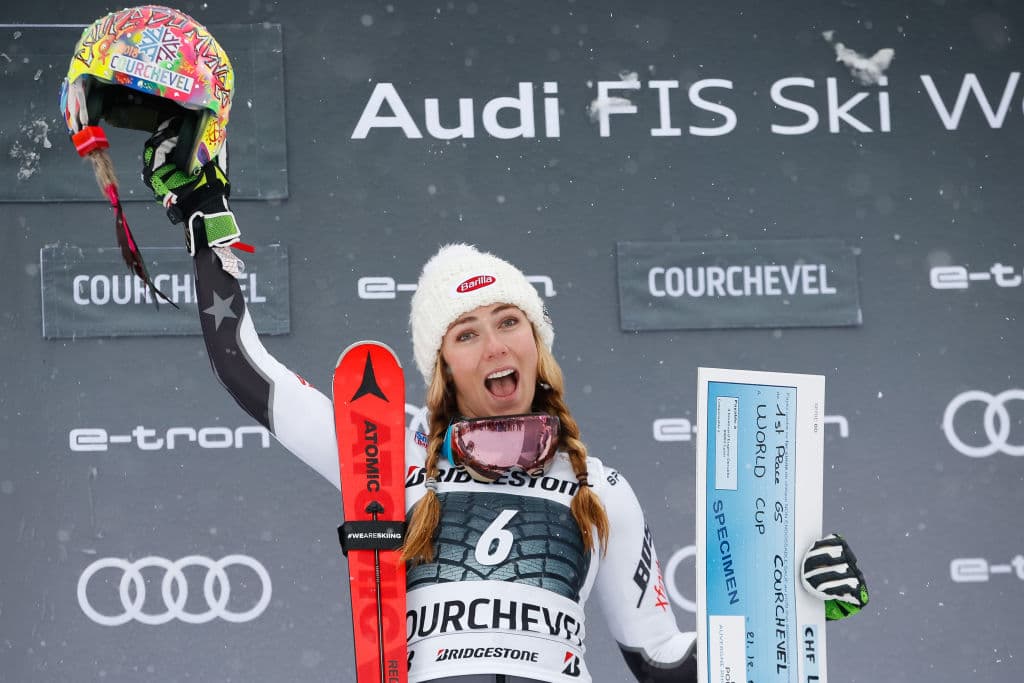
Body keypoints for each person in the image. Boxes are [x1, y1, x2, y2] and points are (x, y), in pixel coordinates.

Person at [63, 11, 868, 679]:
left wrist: (793, 602)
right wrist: (204, 210)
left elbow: (663, 662)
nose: (493, 346)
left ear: (538, 345)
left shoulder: (602, 489)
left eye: (510, 322)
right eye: (466, 333)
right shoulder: (388, 449)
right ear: (441, 364)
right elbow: (248, 369)